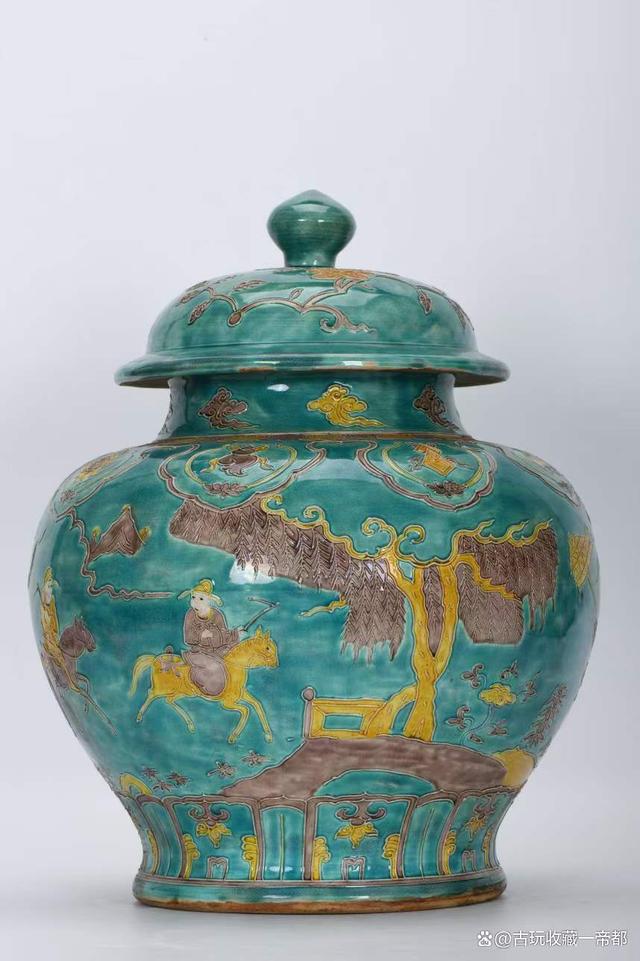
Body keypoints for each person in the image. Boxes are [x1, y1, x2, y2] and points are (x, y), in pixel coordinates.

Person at [179, 578, 240, 697]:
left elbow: (224, 635)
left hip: (217, 650)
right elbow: (188, 638)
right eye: (193, 597)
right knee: (214, 667)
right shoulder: (190, 614)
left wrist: (236, 633)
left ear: (209, 600)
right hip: (198, 653)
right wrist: (201, 636)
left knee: (234, 659)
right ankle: (205, 687)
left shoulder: (217, 615)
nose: (196, 602)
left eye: (201, 599)